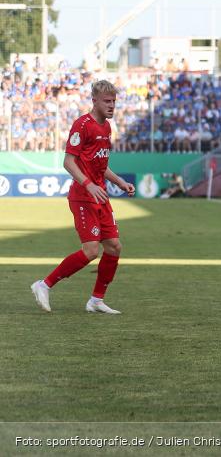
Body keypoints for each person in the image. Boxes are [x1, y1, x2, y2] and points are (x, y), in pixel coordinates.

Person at [30, 80, 135, 314]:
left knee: (114, 247)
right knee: (90, 251)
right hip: (83, 196)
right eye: (107, 101)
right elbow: (68, 162)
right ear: (94, 101)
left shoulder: (106, 128)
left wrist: (119, 182)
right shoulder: (82, 125)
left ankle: (96, 300)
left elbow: (100, 165)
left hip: (100, 195)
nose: (111, 106)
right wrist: (88, 185)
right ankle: (43, 285)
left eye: (114, 102)